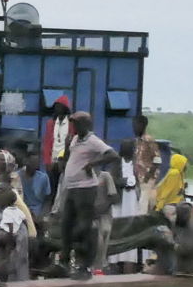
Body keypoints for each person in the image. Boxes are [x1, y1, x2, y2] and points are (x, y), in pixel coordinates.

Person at [53, 112, 118, 277]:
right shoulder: (74, 139)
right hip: (72, 187)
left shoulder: (92, 140)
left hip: (85, 188)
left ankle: (85, 265)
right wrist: (67, 148)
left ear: (85, 125)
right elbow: (69, 159)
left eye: (77, 124)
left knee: (83, 226)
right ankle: (64, 261)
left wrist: (92, 164)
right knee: (66, 224)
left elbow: (112, 155)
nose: (74, 127)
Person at [130, 116, 161, 211]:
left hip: (147, 177)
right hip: (140, 176)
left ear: (143, 125)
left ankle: (141, 221)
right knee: (141, 201)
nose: (134, 128)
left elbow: (157, 160)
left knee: (143, 203)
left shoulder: (148, 140)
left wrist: (148, 175)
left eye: (136, 126)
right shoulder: (138, 141)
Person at [41, 99, 73, 170]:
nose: (57, 109)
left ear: (65, 108)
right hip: (53, 161)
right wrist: (47, 161)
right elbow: (47, 143)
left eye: (59, 107)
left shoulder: (72, 124)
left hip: (67, 160)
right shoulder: (50, 123)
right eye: (56, 107)